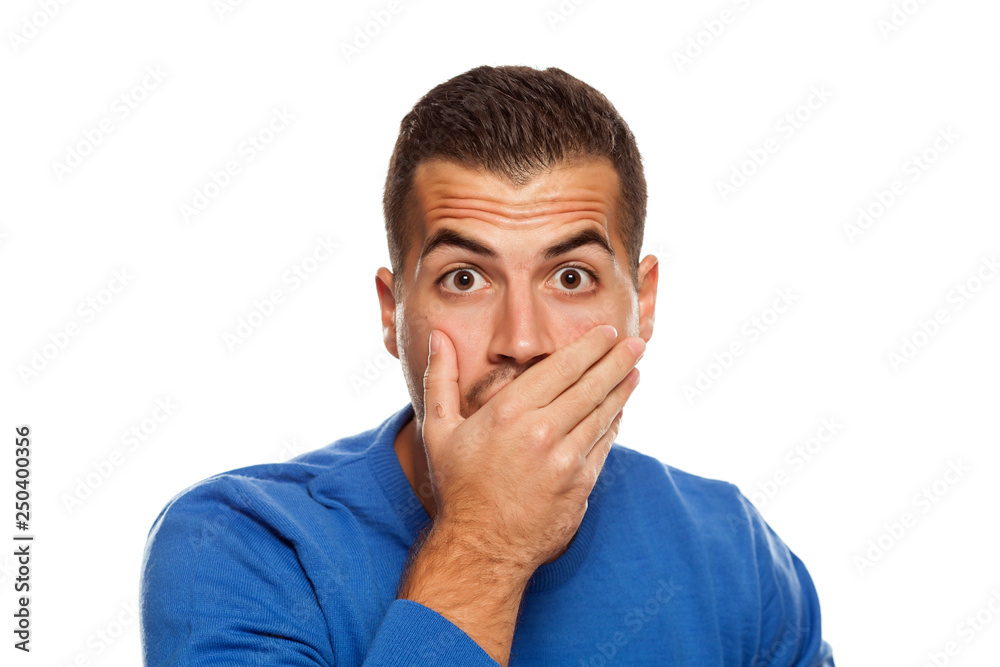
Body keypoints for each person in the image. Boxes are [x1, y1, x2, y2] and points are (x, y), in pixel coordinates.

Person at [139, 65, 835, 666]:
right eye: (465, 279)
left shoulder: (732, 552)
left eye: (570, 277)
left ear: (643, 303)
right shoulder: (242, 544)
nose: (522, 341)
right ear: (392, 311)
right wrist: (490, 537)